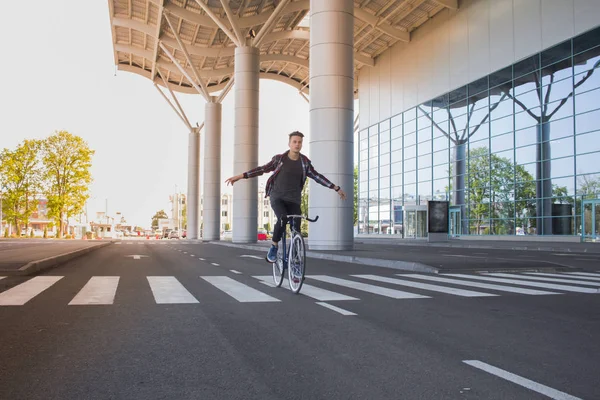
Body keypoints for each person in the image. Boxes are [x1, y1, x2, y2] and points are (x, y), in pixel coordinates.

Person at [225, 131, 347, 263]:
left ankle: (294, 255)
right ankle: (274, 247)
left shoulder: (304, 162)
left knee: (296, 227)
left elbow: (317, 177)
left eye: (299, 142)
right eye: (294, 142)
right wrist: (240, 176)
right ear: (289, 143)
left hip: (294, 199)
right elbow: (262, 169)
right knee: (282, 219)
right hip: (277, 197)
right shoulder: (279, 159)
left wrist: (336, 187)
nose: (297, 144)